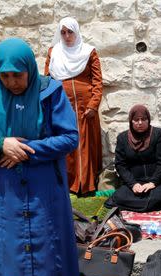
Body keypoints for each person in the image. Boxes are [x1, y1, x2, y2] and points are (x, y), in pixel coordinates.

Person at [0, 38, 81, 276]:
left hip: (45, 195)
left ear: (29, 68)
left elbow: (70, 137)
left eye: (17, 75)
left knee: (49, 256)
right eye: (4, 75)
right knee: (11, 257)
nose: (11, 82)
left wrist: (27, 151)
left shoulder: (50, 92)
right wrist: (1, 145)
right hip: (6, 199)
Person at [44, 16, 103, 196]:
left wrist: (93, 105)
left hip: (86, 109)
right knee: (66, 143)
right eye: (63, 32)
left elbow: (98, 81)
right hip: (62, 106)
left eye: (70, 32)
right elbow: (47, 80)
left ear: (76, 32)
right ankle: (67, 184)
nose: (67, 36)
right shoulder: (54, 53)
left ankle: (86, 185)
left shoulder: (88, 51)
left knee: (85, 145)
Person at [105, 104, 161, 212]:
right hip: (134, 184)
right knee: (118, 197)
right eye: (136, 120)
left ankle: (145, 204)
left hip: (155, 183)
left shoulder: (158, 134)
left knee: (160, 197)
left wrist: (153, 182)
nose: (140, 123)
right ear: (131, 121)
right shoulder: (123, 138)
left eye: (143, 119)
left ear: (148, 120)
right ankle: (147, 205)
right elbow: (120, 164)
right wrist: (133, 184)